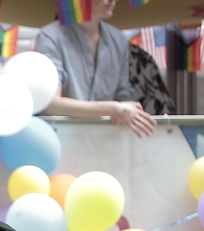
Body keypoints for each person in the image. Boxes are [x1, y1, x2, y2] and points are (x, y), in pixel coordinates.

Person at [36, 0, 157, 138]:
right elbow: (51, 105)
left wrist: (121, 110)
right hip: (61, 139)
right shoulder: (50, 37)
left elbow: (123, 98)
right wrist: (113, 109)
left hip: (106, 140)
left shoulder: (117, 39)